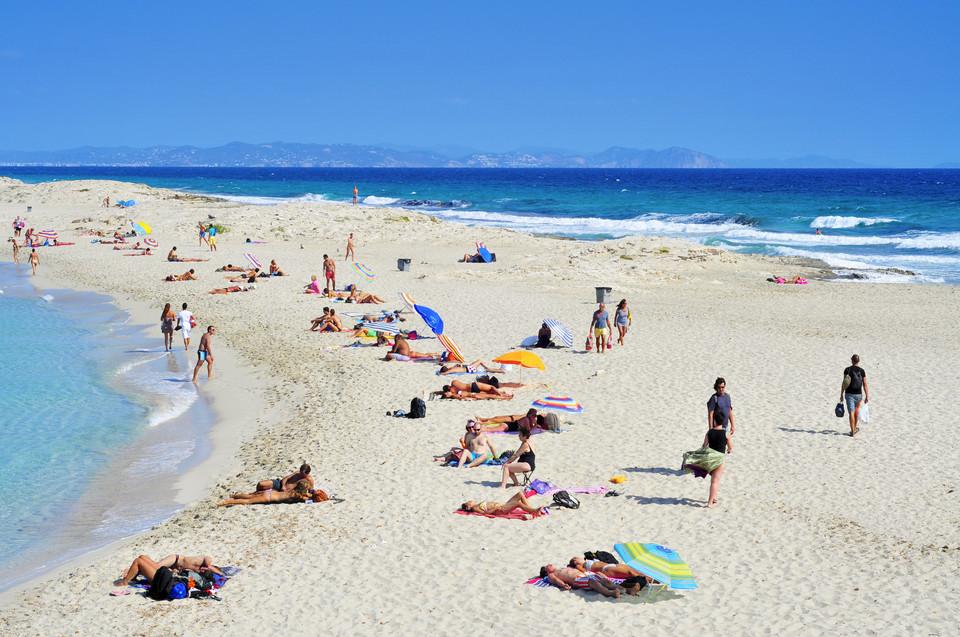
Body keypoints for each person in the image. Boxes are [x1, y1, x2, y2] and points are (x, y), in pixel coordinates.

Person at [116, 554, 223, 587]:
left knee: (138, 561)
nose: (205, 569)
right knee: (142, 557)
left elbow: (177, 574)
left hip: (162, 579)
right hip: (165, 575)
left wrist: (173, 571)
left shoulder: (195, 576)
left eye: (206, 570)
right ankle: (133, 576)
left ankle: (125, 582)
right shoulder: (205, 563)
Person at [217, 479, 327, 506]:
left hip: (271, 492)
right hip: (268, 498)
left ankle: (233, 495)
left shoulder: (294, 491)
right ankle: (226, 502)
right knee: (248, 501)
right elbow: (310, 499)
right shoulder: (299, 496)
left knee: (250, 495)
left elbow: (309, 495)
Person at [538, 564, 626, 598]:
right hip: (577, 580)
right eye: (547, 566)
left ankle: (626, 589)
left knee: (606, 582)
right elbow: (556, 580)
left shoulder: (562, 568)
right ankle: (611, 593)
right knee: (594, 583)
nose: (549, 564)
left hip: (585, 575)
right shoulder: (551, 575)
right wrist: (563, 585)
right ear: (547, 571)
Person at [568, 556, 654, 586]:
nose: (581, 558)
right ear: (575, 560)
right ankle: (654, 580)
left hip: (612, 565)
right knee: (631, 573)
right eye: (578, 558)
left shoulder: (588, 560)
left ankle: (653, 578)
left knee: (634, 570)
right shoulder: (579, 565)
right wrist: (575, 566)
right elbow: (585, 572)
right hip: (607, 569)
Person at [703, 419, 731, 508]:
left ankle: (714, 497)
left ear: (715, 421)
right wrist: (729, 450)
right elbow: (730, 446)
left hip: (710, 458)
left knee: (714, 479)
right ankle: (710, 503)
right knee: (715, 481)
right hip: (719, 459)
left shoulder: (709, 432)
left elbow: (704, 445)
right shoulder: (726, 433)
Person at [841, 354, 869, 437]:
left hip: (849, 394)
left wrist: (841, 394)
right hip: (858, 394)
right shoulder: (862, 371)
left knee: (851, 412)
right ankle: (855, 427)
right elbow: (864, 384)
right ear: (859, 361)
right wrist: (867, 396)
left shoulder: (847, 370)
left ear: (852, 360)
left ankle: (852, 431)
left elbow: (844, 384)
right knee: (856, 411)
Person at [460, 490, 547, 516]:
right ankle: (535, 511)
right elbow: (485, 513)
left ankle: (530, 510)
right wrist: (496, 508)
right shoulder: (475, 508)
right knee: (518, 503)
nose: (470, 501)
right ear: (468, 507)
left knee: (520, 494)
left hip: (503, 505)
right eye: (468, 502)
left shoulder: (478, 504)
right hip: (501, 510)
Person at [474, 408, 543, 432]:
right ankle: (475, 428)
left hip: (508, 424)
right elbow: (528, 429)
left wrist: (534, 423)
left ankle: (477, 426)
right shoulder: (526, 419)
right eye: (534, 415)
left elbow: (530, 426)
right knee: (488, 429)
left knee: (491, 426)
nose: (534, 417)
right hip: (507, 426)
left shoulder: (529, 419)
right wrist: (536, 425)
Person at [438, 359, 505, 375]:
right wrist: (441, 373)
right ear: (447, 368)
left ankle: (490, 369)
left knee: (480, 362)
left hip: (469, 368)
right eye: (446, 366)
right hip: (469, 369)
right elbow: (446, 373)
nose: (447, 364)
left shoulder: (453, 368)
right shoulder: (452, 369)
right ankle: (501, 371)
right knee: (485, 369)